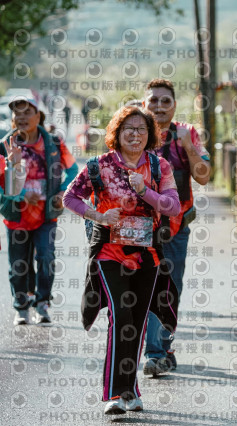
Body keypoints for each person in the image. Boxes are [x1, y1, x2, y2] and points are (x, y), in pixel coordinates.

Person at [62, 106, 181, 415]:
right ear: (116, 132)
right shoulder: (98, 166)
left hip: (147, 255)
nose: (135, 134)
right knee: (121, 315)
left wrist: (147, 193)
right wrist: (98, 215)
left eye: (142, 129)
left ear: (150, 135)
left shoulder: (159, 167)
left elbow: (172, 207)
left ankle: (131, 391)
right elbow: (70, 197)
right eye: (128, 128)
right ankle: (115, 393)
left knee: (138, 323)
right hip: (108, 253)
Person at [141, 78, 211, 376]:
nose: (159, 106)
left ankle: (160, 349)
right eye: (153, 100)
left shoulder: (187, 134)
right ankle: (154, 352)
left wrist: (185, 144)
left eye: (165, 101)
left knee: (168, 290)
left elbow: (204, 176)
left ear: (174, 105)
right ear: (144, 104)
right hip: (135, 228)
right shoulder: (133, 131)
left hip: (173, 228)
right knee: (140, 289)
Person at [0, 95, 78, 326]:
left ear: (39, 116)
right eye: (17, 112)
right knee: (19, 264)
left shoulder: (53, 143)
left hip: (46, 215)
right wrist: (23, 195)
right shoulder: (5, 145)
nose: (21, 117)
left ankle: (42, 303)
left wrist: (60, 192)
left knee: (45, 257)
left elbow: (73, 171)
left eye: (27, 112)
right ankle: (22, 307)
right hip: (16, 217)